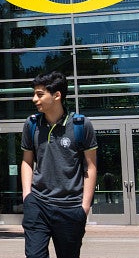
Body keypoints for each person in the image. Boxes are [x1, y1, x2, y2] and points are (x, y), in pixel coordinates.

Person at [20, 71, 98, 258]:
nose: (34, 99)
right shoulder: (31, 125)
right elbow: (27, 161)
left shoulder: (81, 125)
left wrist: (84, 207)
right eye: (34, 94)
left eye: (39, 94)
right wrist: (27, 196)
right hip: (38, 204)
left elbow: (90, 167)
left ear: (56, 95)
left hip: (70, 208)